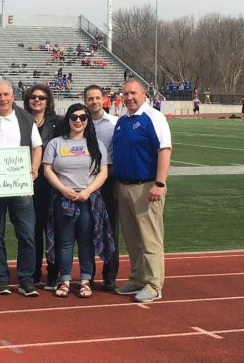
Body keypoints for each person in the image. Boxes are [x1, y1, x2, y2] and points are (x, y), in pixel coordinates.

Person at [0, 80, 43, 297]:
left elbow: (37, 147)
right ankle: (2, 278)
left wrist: (34, 169)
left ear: (12, 95)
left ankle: (26, 279)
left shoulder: (26, 118)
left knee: (26, 234)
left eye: (6, 94)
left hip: (21, 187)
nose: (2, 99)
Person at [113, 78, 172, 303]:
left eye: (133, 93)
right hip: (125, 186)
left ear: (144, 93)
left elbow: (164, 151)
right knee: (132, 238)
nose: (129, 97)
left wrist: (159, 183)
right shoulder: (122, 121)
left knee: (150, 238)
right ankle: (138, 278)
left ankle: (154, 284)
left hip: (146, 186)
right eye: (125, 93)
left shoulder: (154, 118)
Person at [43, 103, 110, 298]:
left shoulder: (97, 145)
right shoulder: (56, 143)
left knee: (86, 241)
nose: (78, 121)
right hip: (63, 199)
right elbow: (48, 169)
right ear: (68, 119)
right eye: (74, 117)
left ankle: (85, 280)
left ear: (88, 120)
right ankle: (64, 279)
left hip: (88, 198)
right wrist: (63, 189)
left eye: (82, 117)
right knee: (64, 242)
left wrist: (87, 191)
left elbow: (103, 172)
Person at [23, 84, 62, 290]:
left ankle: (54, 273)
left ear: (48, 101)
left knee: (53, 229)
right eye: (33, 97)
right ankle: (34, 272)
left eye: (42, 97)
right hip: (28, 182)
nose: (37, 100)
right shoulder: (21, 121)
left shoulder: (60, 122)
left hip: (53, 183)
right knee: (33, 230)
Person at [83, 85, 120, 290]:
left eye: (97, 98)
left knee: (110, 229)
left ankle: (110, 274)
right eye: (90, 98)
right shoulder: (79, 123)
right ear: (85, 100)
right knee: (86, 229)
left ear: (103, 99)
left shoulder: (115, 123)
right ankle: (87, 274)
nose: (94, 102)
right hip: (84, 181)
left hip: (109, 180)